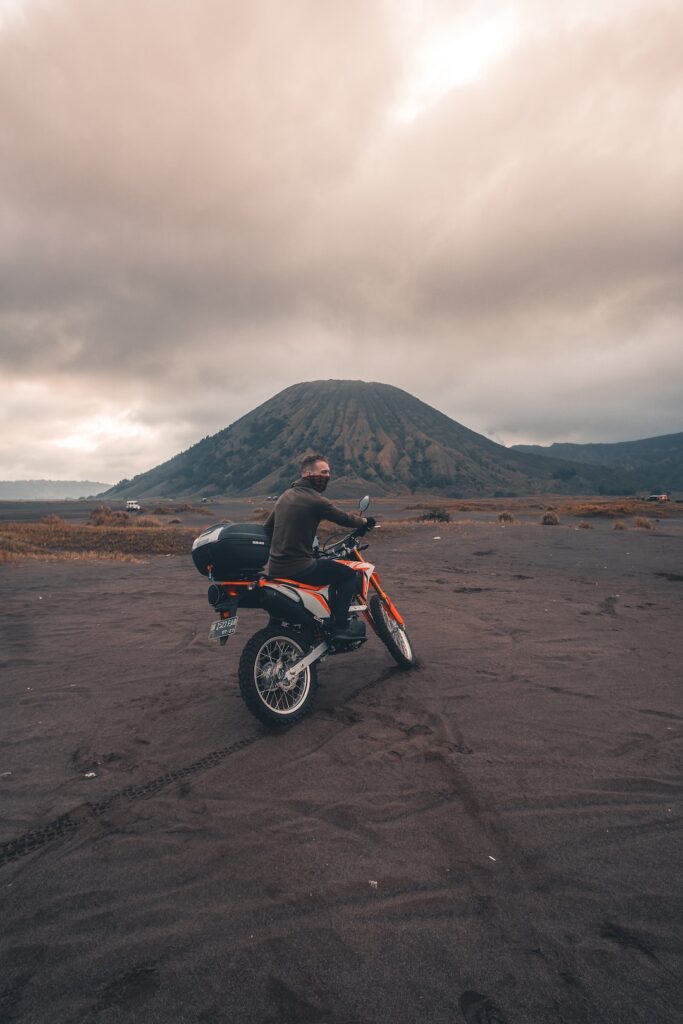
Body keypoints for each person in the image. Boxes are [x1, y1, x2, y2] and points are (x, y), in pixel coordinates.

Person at [263, 454, 375, 641]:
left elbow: (267, 528)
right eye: (323, 472)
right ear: (307, 473)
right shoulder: (315, 500)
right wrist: (365, 521)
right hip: (299, 567)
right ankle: (340, 626)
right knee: (348, 575)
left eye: (329, 472)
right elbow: (344, 518)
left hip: (275, 568)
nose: (327, 476)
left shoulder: (285, 496)